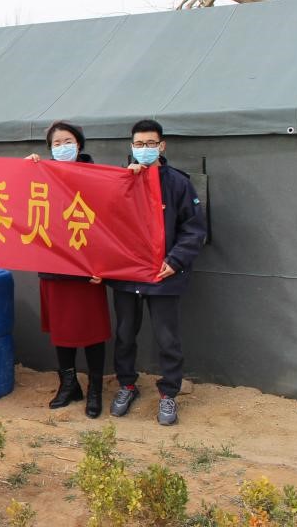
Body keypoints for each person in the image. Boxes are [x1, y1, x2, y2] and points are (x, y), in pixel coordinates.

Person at [109, 119, 207, 426]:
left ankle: (168, 393)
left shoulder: (178, 183)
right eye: (139, 144)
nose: (145, 149)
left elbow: (194, 228)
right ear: (131, 147)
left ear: (162, 146)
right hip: (126, 275)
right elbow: (102, 223)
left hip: (164, 275)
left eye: (151, 144)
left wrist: (175, 261)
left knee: (167, 338)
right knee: (124, 334)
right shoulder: (119, 180)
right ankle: (126, 385)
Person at [26, 121, 110, 418]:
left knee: (92, 331)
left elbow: (110, 221)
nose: (63, 147)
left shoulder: (99, 177)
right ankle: (69, 384)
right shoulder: (43, 175)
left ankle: (96, 389)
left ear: (80, 144)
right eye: (57, 143)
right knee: (62, 331)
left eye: (68, 141)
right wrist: (26, 170)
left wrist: (106, 265)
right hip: (54, 266)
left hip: (88, 269)